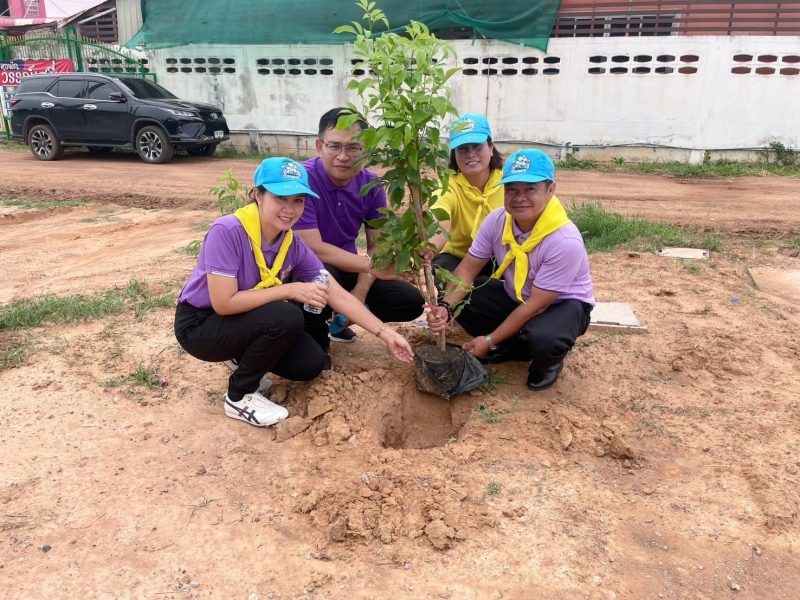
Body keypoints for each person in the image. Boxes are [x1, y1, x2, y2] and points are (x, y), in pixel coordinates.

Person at [174, 157, 414, 427]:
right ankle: (239, 396)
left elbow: (337, 294)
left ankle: (239, 353)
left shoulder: (292, 244)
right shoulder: (228, 231)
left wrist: (386, 334)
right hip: (201, 325)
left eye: (298, 200)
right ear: (258, 195)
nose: (290, 209)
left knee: (310, 364)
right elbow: (224, 304)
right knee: (287, 315)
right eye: (280, 198)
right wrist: (290, 289)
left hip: (243, 319)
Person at [427, 149, 594, 391]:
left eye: (530, 189)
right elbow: (468, 269)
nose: (519, 198)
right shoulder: (497, 220)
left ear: (550, 190)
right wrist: (445, 306)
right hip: (517, 295)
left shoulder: (564, 240)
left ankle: (548, 362)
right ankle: (513, 346)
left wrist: (488, 340)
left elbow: (536, 306)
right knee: (463, 293)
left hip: (561, 305)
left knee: (544, 337)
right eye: (512, 189)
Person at [293, 107, 425, 346]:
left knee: (408, 300)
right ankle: (313, 336)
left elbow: (377, 247)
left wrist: (360, 293)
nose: (343, 156)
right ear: (319, 146)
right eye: (334, 146)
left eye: (353, 147)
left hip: (349, 266)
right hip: (308, 267)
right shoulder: (303, 180)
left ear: (366, 150)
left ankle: (337, 320)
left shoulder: (371, 185)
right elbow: (314, 248)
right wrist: (373, 266)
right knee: (320, 276)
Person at [428, 113, 505, 278]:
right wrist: (429, 248)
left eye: (477, 146)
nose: (470, 154)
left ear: (491, 148)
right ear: (454, 154)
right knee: (443, 277)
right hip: (458, 257)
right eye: (462, 149)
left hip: (501, 257)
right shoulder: (448, 187)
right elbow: (440, 219)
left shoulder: (508, 184)